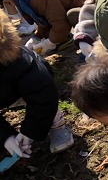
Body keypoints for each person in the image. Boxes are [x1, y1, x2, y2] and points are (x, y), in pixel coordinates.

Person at [0, 10, 74, 159]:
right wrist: (6, 137)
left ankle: (56, 123)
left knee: (42, 98)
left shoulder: (18, 62)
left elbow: (42, 95)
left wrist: (30, 131)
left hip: (18, 90)